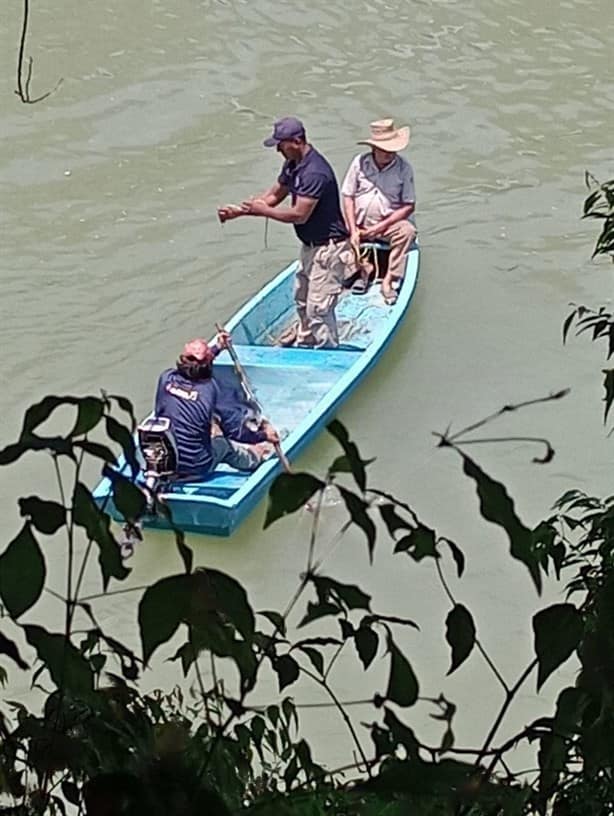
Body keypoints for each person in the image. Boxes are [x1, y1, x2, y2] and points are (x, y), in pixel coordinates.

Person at [217, 117, 352, 348]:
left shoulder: (315, 172)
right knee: (301, 298)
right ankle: (306, 340)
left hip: (329, 248)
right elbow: (273, 196)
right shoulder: (293, 164)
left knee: (318, 308)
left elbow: (300, 214)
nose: (278, 149)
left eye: (281, 144)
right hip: (310, 246)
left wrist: (264, 212)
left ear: (297, 141)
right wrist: (239, 212)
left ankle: (327, 351)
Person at [154, 333, 278, 478]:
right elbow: (234, 432)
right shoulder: (209, 391)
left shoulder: (166, 378)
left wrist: (217, 347)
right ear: (207, 365)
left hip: (165, 462)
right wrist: (263, 436)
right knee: (224, 445)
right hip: (196, 467)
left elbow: (195, 365)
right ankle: (256, 458)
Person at [341, 119, 417, 305]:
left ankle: (389, 279)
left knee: (408, 232)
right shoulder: (359, 163)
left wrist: (381, 227)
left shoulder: (404, 168)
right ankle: (360, 268)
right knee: (333, 228)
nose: (389, 154)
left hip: (387, 225)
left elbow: (408, 205)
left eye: (392, 150)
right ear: (374, 148)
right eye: (384, 150)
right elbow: (348, 196)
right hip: (359, 223)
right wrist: (353, 229)